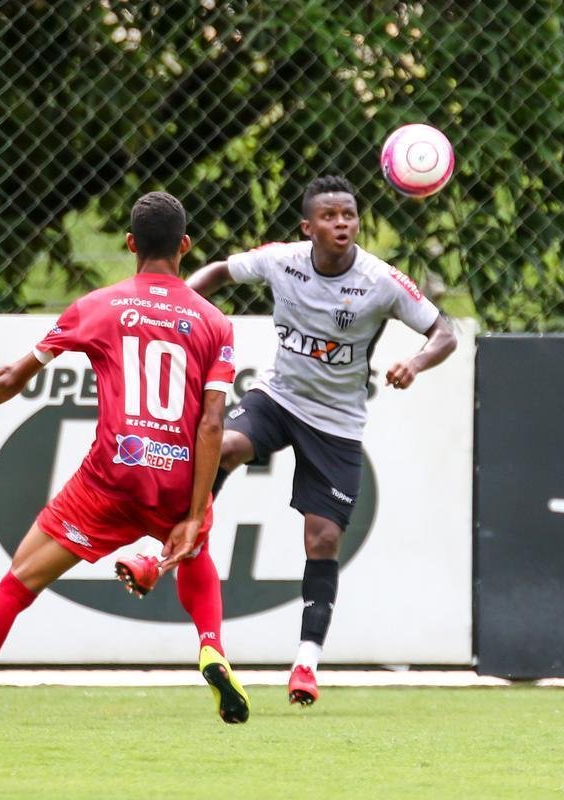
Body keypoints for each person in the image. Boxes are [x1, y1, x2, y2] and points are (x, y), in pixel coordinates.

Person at [0, 192, 249, 726]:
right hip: (176, 478)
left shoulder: (98, 307)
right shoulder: (215, 322)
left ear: (130, 245)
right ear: (186, 247)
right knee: (195, 549)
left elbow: (14, 376)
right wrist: (195, 514)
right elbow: (213, 424)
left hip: (109, 478)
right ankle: (211, 645)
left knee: (18, 583)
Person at [177, 175, 457, 706]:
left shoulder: (380, 280)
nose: (341, 224)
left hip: (337, 421)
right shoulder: (281, 260)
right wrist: (177, 306)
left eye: (348, 215)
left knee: (323, 537)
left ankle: (305, 665)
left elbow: (444, 331)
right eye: (329, 217)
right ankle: (182, 536)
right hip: (279, 397)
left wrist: (416, 363)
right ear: (308, 227)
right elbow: (217, 271)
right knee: (227, 445)